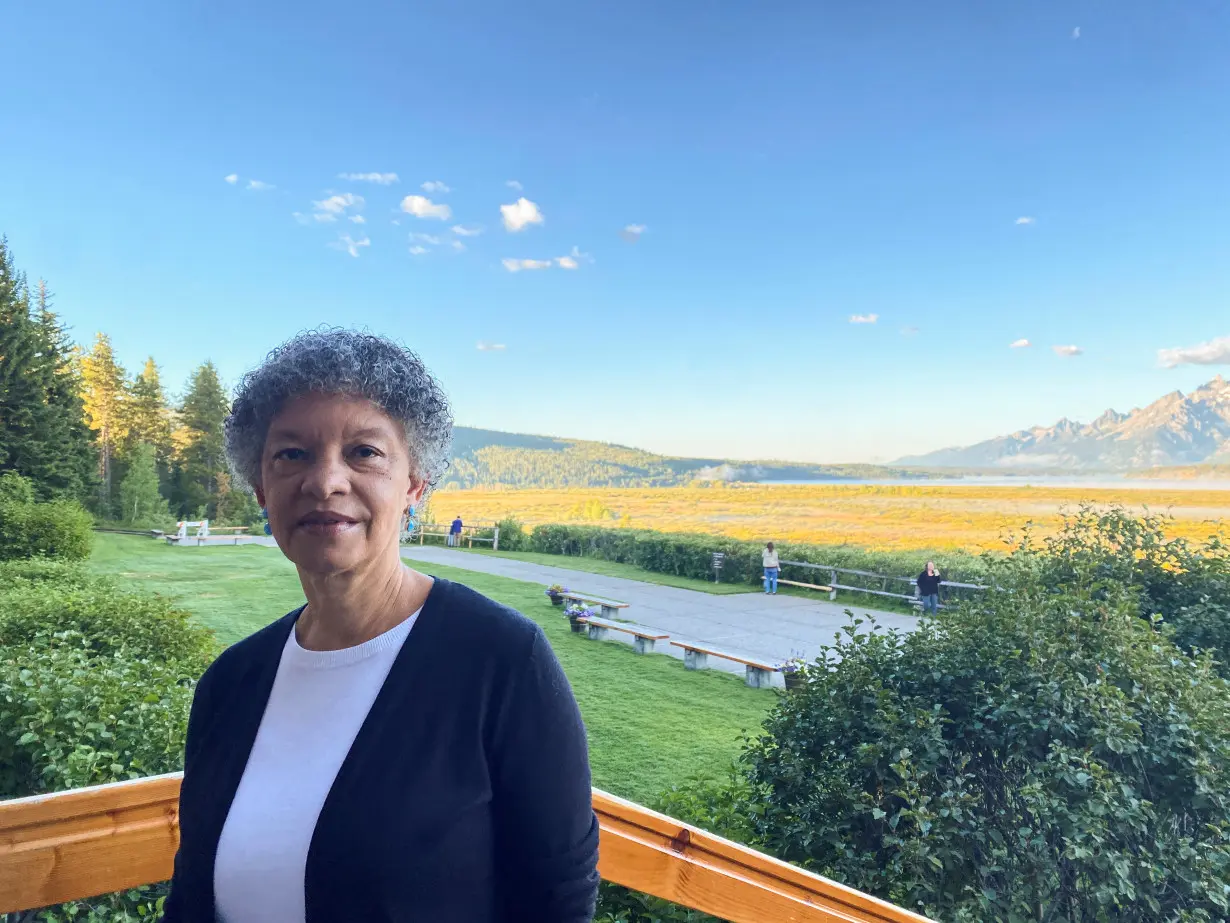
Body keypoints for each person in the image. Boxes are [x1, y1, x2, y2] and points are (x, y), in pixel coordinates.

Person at [161, 330, 599, 923]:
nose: (325, 482)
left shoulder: (500, 662)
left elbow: (557, 902)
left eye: (364, 452)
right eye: (292, 453)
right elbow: (192, 894)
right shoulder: (231, 682)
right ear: (261, 487)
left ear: (414, 484)